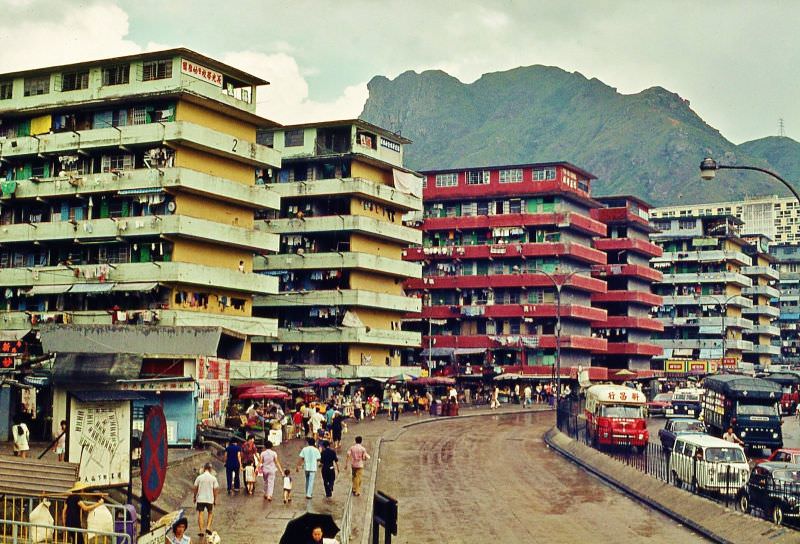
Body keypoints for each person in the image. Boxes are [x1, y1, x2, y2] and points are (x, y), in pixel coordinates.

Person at [194, 462, 219, 537]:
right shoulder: (213, 478)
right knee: (210, 513)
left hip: (200, 498)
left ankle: (201, 530)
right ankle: (208, 527)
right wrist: (215, 499)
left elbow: (195, 487)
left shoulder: (199, 477)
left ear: (204, 468)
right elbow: (215, 490)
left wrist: (194, 497)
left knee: (201, 513)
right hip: (209, 499)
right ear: (210, 469)